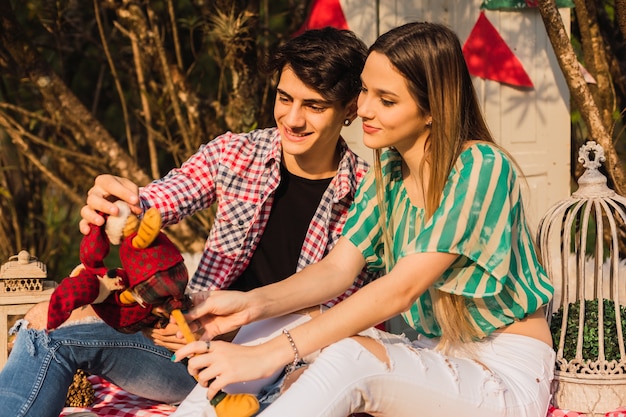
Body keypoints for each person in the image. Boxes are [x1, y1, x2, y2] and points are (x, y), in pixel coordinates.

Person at [172, 21, 556, 417]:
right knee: (267, 328)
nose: (364, 109)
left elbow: (400, 289)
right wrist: (249, 305)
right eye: (365, 91)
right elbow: (336, 269)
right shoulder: (386, 174)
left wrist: (269, 356)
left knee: (350, 357)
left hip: (503, 371)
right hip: (436, 353)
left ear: (432, 110)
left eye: (386, 100)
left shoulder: (480, 167)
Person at [0, 26, 374, 417]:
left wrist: (238, 325)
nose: (292, 119)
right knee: (45, 332)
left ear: (350, 109)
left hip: (293, 360)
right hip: (191, 352)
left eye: (314, 106)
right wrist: (119, 206)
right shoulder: (236, 153)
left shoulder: (369, 194)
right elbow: (161, 200)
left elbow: (356, 310)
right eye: (284, 98)